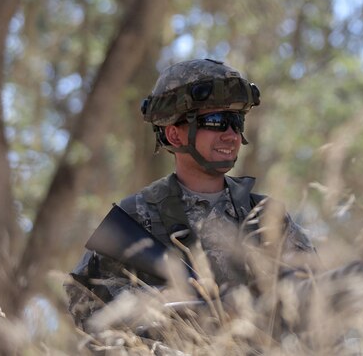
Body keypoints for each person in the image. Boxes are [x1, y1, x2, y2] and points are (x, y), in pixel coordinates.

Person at [66, 58, 315, 332]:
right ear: (174, 135)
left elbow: (317, 295)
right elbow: (85, 305)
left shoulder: (267, 216)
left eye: (237, 121)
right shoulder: (136, 217)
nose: (231, 135)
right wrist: (171, 317)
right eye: (217, 121)